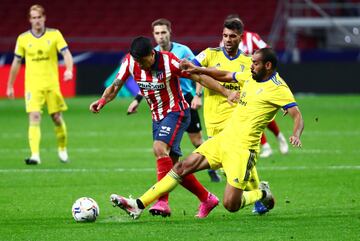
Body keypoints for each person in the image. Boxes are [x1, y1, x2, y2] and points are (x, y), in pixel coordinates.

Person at [109, 48, 304, 220]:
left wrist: (296, 134)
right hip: (223, 140)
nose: (251, 66)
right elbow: (225, 74)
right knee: (182, 167)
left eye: (255, 63)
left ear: (268, 65)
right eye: (251, 62)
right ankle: (138, 205)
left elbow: (297, 115)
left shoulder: (279, 89)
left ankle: (261, 193)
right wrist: (198, 69)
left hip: (243, 150)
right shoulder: (251, 77)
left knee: (231, 205)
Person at [89, 36, 238, 218]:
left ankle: (162, 202)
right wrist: (103, 100)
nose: (141, 66)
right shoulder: (130, 62)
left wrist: (226, 91)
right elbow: (115, 86)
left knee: (159, 148)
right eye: (138, 62)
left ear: (152, 54)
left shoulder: (170, 61)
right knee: (174, 167)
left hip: (177, 112)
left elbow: (199, 76)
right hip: (157, 117)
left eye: (143, 62)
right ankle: (206, 198)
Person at [6, 4, 73, 164]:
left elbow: (66, 53)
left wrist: (69, 69)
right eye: (33, 18)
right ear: (30, 20)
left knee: (57, 118)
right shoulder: (23, 39)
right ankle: (35, 155)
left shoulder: (55, 35)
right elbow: (16, 62)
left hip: (51, 85)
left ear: (44, 18)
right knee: (34, 117)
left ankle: (62, 149)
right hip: (33, 86)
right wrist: (10, 85)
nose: (37, 21)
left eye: (39, 17)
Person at [127, 18, 204, 157]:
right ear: (153, 34)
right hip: (164, 103)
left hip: (185, 99)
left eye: (163, 32)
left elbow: (197, 72)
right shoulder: (150, 54)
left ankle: (213, 169)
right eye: (157, 33)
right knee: (168, 146)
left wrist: (198, 96)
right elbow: (148, 82)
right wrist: (136, 100)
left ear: (170, 32)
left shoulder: (183, 50)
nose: (161, 36)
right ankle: (175, 176)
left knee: (197, 141)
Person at [193, 18, 252, 182]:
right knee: (227, 167)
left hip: (235, 119)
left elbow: (263, 83)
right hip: (213, 119)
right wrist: (220, 89)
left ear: (240, 37)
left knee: (231, 162)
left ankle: (257, 196)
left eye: (232, 36)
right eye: (225, 36)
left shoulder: (248, 62)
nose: (227, 40)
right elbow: (190, 69)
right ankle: (260, 193)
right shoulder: (210, 54)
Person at [223, 14, 289, 158]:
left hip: (255, 78)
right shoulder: (225, 41)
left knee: (259, 113)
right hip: (239, 80)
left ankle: (278, 137)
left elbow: (268, 52)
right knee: (248, 114)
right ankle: (265, 146)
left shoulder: (252, 37)